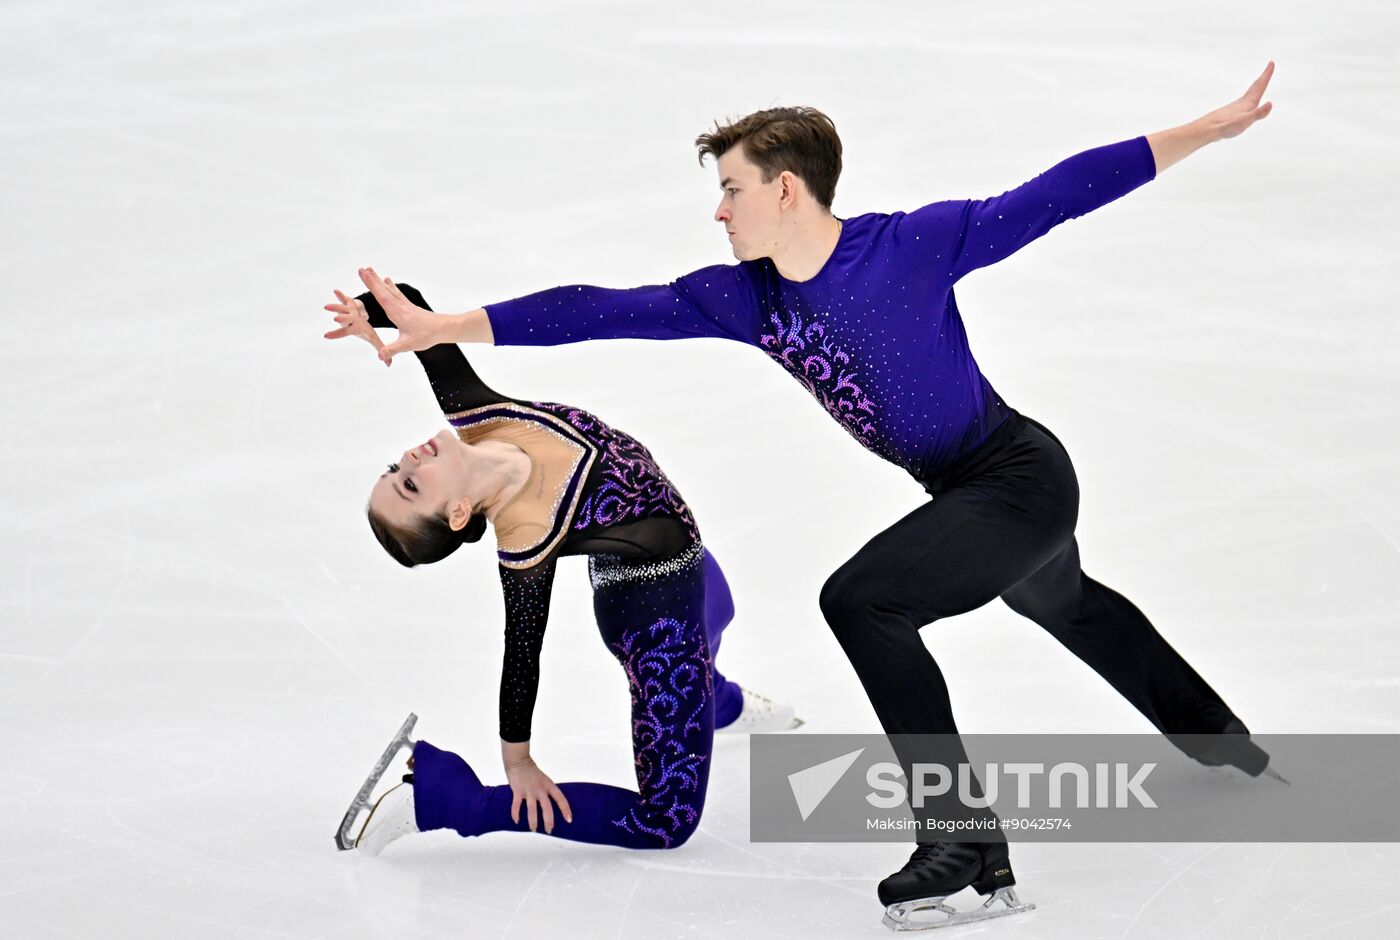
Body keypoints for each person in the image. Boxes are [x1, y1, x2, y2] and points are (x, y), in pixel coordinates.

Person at [348, 63, 1281, 925]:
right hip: (966, 486)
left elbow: (1055, 196)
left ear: (784, 188)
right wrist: (447, 324)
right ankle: (1213, 735)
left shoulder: (910, 247)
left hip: (1018, 474)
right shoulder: (750, 299)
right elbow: (604, 305)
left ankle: (960, 833)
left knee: (863, 600)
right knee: (1062, 598)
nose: (719, 211)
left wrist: (1205, 127)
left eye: (731, 188)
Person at [323, 283, 797, 857]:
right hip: (656, 624)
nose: (410, 460)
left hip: (689, 564)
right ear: (455, 513)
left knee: (720, 612)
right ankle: (444, 799)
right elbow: (522, 653)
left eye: (395, 468)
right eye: (410, 484)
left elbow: (409, 302)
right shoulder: (525, 537)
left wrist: (367, 310)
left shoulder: (476, 413)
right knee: (666, 821)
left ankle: (718, 706)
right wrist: (517, 761)